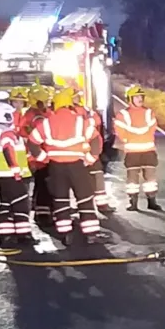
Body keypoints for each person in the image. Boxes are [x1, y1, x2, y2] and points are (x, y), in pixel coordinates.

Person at [27, 87, 104, 243]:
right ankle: (91, 235)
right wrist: (90, 158)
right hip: (78, 166)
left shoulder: (47, 123)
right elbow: (96, 139)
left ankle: (65, 234)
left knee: (60, 200)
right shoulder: (80, 121)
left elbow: (32, 142)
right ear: (69, 104)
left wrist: (44, 158)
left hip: (56, 168)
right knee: (84, 199)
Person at [0, 101, 33, 245]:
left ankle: (5, 234)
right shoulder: (7, 132)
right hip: (11, 175)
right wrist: (15, 170)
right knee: (21, 205)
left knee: (6, 204)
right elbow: (8, 149)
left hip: (2, 176)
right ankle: (23, 235)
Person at [113, 84, 161, 211]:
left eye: (141, 96)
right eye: (136, 97)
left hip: (148, 151)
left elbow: (152, 128)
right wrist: (129, 139)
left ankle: (152, 201)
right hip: (133, 152)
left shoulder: (148, 112)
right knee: (132, 180)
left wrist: (130, 137)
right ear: (130, 99)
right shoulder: (123, 114)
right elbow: (119, 130)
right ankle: (133, 203)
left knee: (150, 179)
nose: (140, 99)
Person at [73, 89, 114, 214]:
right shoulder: (75, 112)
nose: (77, 99)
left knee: (97, 177)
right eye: (75, 97)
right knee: (82, 180)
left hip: (87, 152)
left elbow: (97, 121)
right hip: (78, 154)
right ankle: (86, 205)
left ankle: (100, 204)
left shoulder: (84, 110)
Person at [23, 85, 54, 227]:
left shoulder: (29, 114)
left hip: (35, 156)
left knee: (40, 184)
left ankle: (38, 208)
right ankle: (43, 214)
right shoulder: (38, 117)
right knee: (44, 185)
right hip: (41, 157)